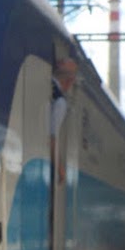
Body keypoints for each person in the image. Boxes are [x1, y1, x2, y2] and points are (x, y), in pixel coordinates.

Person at [50, 56, 77, 184]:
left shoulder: (44, 86)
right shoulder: (60, 102)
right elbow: (51, 138)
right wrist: (60, 170)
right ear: (70, 81)